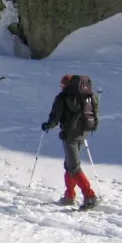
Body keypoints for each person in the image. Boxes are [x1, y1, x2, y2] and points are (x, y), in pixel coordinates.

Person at [41, 74, 100, 210]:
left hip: (70, 135)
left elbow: (55, 117)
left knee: (73, 167)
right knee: (69, 165)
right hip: (83, 132)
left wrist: (48, 125)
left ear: (65, 86)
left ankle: (89, 195)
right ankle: (69, 195)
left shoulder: (63, 97)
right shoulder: (88, 96)